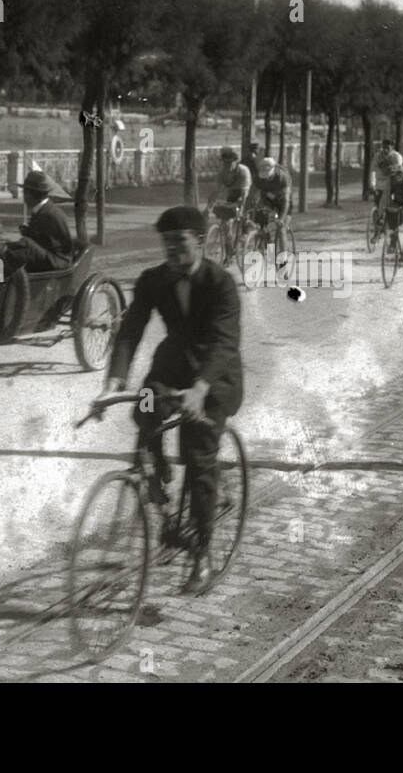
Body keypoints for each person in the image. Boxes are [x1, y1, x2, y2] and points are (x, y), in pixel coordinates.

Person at [104, 205, 243, 594]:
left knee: (199, 457)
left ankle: (202, 554)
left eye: (179, 241)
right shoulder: (152, 280)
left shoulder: (221, 283)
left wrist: (200, 390)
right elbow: (131, 329)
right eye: (166, 242)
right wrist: (114, 380)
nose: (172, 249)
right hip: (169, 372)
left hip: (215, 380)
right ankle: (159, 470)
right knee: (143, 409)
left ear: (200, 242)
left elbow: (224, 341)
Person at [5, 170, 73, 273]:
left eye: (24, 193)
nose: (24, 197)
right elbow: (44, 239)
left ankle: (0, 278)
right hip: (50, 257)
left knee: (25, 245)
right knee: (10, 247)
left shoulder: (50, 214)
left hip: (56, 261)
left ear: (29, 195)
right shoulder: (43, 210)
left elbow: (61, 247)